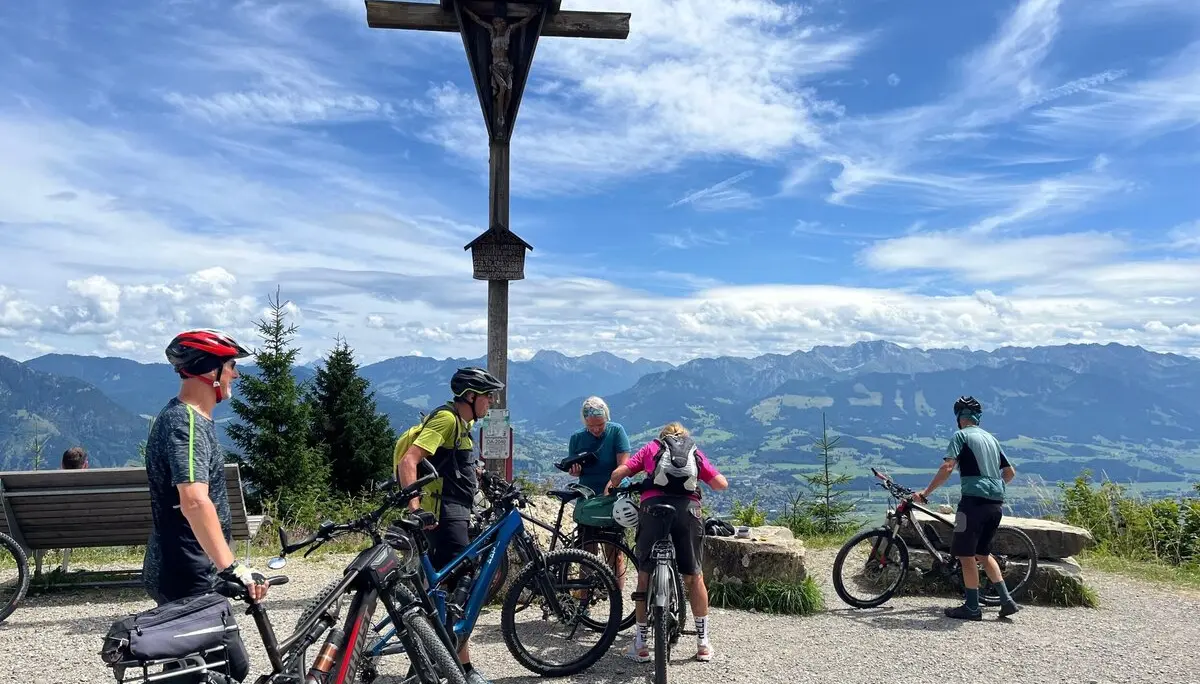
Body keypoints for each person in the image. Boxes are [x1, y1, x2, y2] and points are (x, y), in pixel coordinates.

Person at [143, 329, 268, 607]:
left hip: (191, 565)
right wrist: (231, 568)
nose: (235, 374)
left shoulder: (189, 418)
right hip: (188, 572)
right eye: (231, 365)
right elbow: (195, 501)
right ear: (211, 371)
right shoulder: (185, 424)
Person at [396, 366, 504, 684]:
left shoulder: (461, 424)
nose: (491, 402)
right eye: (488, 396)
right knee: (463, 586)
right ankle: (444, 666)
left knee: (450, 591)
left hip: (454, 514)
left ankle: (445, 663)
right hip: (442, 517)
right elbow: (409, 461)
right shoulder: (446, 420)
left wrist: (486, 479)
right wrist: (415, 509)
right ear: (470, 396)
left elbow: (455, 466)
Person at [606, 421, 728, 663]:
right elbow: (720, 484)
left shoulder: (652, 448)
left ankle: (640, 644)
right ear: (684, 437)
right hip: (688, 511)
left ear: (663, 438)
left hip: (653, 509)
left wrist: (615, 484)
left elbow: (620, 473)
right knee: (694, 576)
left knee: (644, 575)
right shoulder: (694, 451)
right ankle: (703, 643)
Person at [916, 395, 1020, 620]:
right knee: (983, 553)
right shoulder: (991, 439)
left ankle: (972, 607)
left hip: (972, 503)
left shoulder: (960, 436)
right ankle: (1006, 600)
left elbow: (947, 467)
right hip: (995, 504)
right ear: (977, 417)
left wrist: (925, 493)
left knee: (966, 556)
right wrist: (995, 486)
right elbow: (1010, 473)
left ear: (959, 417)